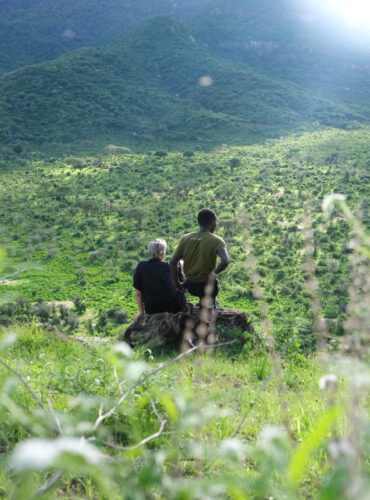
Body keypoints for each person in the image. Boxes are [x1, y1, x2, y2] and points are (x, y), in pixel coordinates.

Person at [170, 208, 230, 305]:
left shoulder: (185, 238)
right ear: (211, 222)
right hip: (208, 285)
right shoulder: (216, 240)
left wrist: (176, 284)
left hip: (190, 285)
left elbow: (172, 262)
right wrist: (213, 273)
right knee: (212, 302)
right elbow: (225, 261)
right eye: (215, 222)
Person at [133, 239, 185, 320]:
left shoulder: (141, 266)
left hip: (151, 309)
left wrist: (141, 312)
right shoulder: (170, 266)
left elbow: (138, 293)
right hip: (172, 308)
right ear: (161, 252)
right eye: (164, 250)